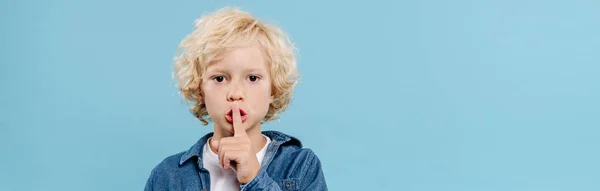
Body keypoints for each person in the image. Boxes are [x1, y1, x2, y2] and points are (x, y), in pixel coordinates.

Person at [144, 7, 327, 191]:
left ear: (273, 89)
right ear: (200, 89)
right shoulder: (167, 176)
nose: (235, 94)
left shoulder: (301, 166)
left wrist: (254, 178)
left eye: (253, 78)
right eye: (220, 78)